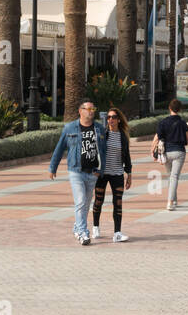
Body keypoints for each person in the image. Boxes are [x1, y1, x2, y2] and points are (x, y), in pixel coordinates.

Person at [49, 99, 107, 246]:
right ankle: (83, 233)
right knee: (80, 201)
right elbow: (60, 148)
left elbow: (103, 151)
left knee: (86, 204)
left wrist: (101, 170)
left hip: (92, 172)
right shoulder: (70, 128)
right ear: (80, 111)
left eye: (93, 109)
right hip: (76, 171)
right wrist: (52, 168)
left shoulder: (99, 128)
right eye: (88, 109)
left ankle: (76, 227)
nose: (91, 112)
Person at [91, 106, 132, 242]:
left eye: (113, 117)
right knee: (98, 201)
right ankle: (95, 226)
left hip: (117, 174)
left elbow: (127, 157)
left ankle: (117, 233)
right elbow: (95, 152)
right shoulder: (103, 134)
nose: (110, 120)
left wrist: (129, 174)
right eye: (108, 117)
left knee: (118, 203)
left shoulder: (123, 137)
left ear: (119, 120)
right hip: (102, 174)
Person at [152, 97, 188, 210]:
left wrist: (152, 151)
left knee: (170, 176)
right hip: (179, 152)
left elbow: (157, 138)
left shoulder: (163, 122)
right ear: (180, 109)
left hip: (166, 152)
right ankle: (170, 202)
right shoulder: (182, 123)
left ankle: (174, 200)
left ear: (169, 108)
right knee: (174, 177)